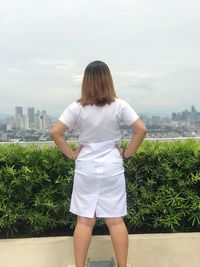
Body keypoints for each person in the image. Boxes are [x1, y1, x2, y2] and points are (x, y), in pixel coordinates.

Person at [51, 60, 147, 267]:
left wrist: (71, 154)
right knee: (115, 220)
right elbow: (141, 129)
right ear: (108, 79)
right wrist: (127, 153)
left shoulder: (77, 107)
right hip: (112, 167)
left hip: (86, 168)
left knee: (85, 221)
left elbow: (55, 132)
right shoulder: (119, 105)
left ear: (86, 81)